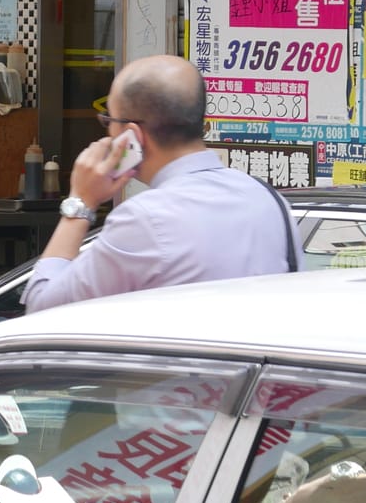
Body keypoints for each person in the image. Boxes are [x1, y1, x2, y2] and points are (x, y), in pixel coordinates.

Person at [22, 54, 293, 313]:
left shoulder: (144, 219)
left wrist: (81, 202)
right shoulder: (270, 201)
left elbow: (42, 307)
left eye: (109, 120)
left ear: (131, 135)